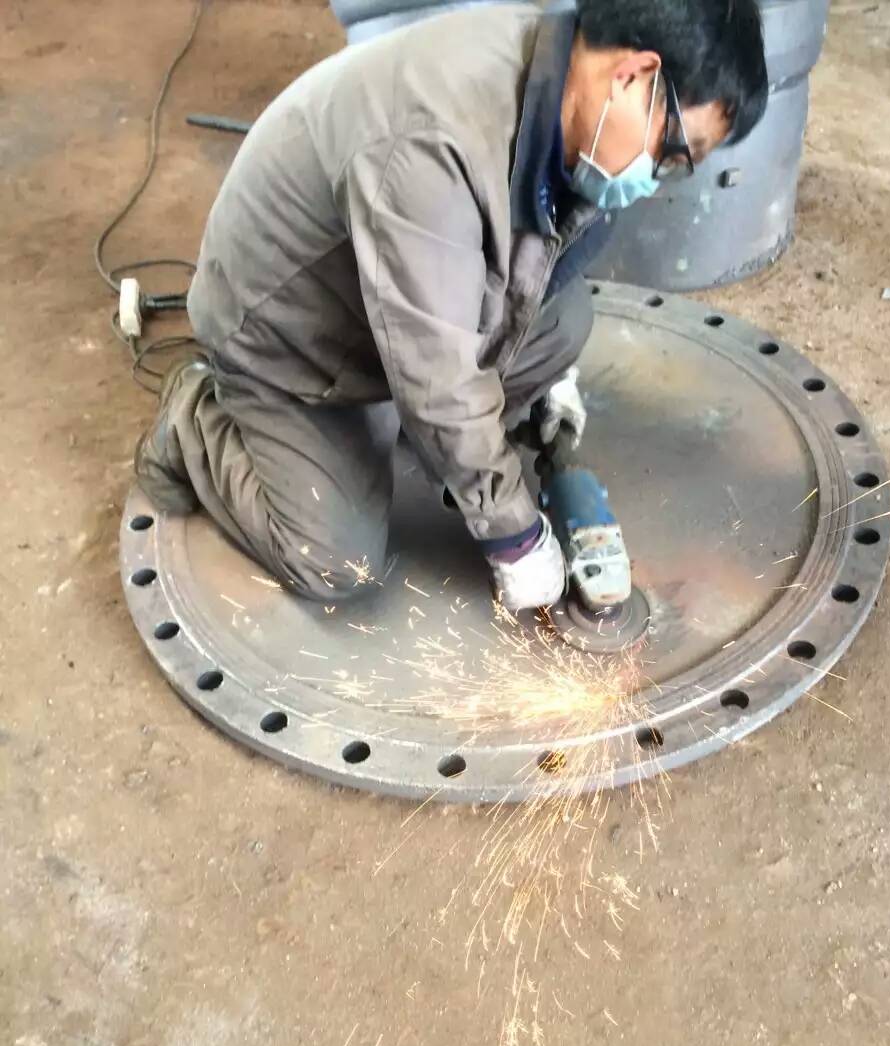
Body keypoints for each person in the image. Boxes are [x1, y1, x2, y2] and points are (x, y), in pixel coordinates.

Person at [135, 0, 767, 611]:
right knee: (335, 562)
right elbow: (437, 378)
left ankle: (431, 437)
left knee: (563, 324)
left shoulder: (561, 81)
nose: (657, 178)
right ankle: (195, 419)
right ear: (634, 74)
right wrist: (515, 536)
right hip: (283, 334)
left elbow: (535, 265)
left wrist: (542, 379)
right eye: (674, 153)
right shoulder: (433, 140)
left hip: (382, 291)